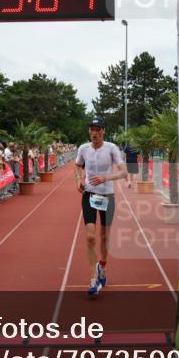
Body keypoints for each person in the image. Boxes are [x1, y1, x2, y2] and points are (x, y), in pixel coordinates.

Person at [75, 117, 126, 297]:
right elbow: (78, 166)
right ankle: (93, 277)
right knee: (90, 237)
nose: (94, 132)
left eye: (98, 129)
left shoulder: (111, 148)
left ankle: (102, 265)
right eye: (91, 129)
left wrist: (106, 178)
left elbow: (123, 171)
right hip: (89, 194)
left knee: (104, 237)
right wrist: (79, 179)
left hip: (107, 195)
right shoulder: (83, 148)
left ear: (103, 131)